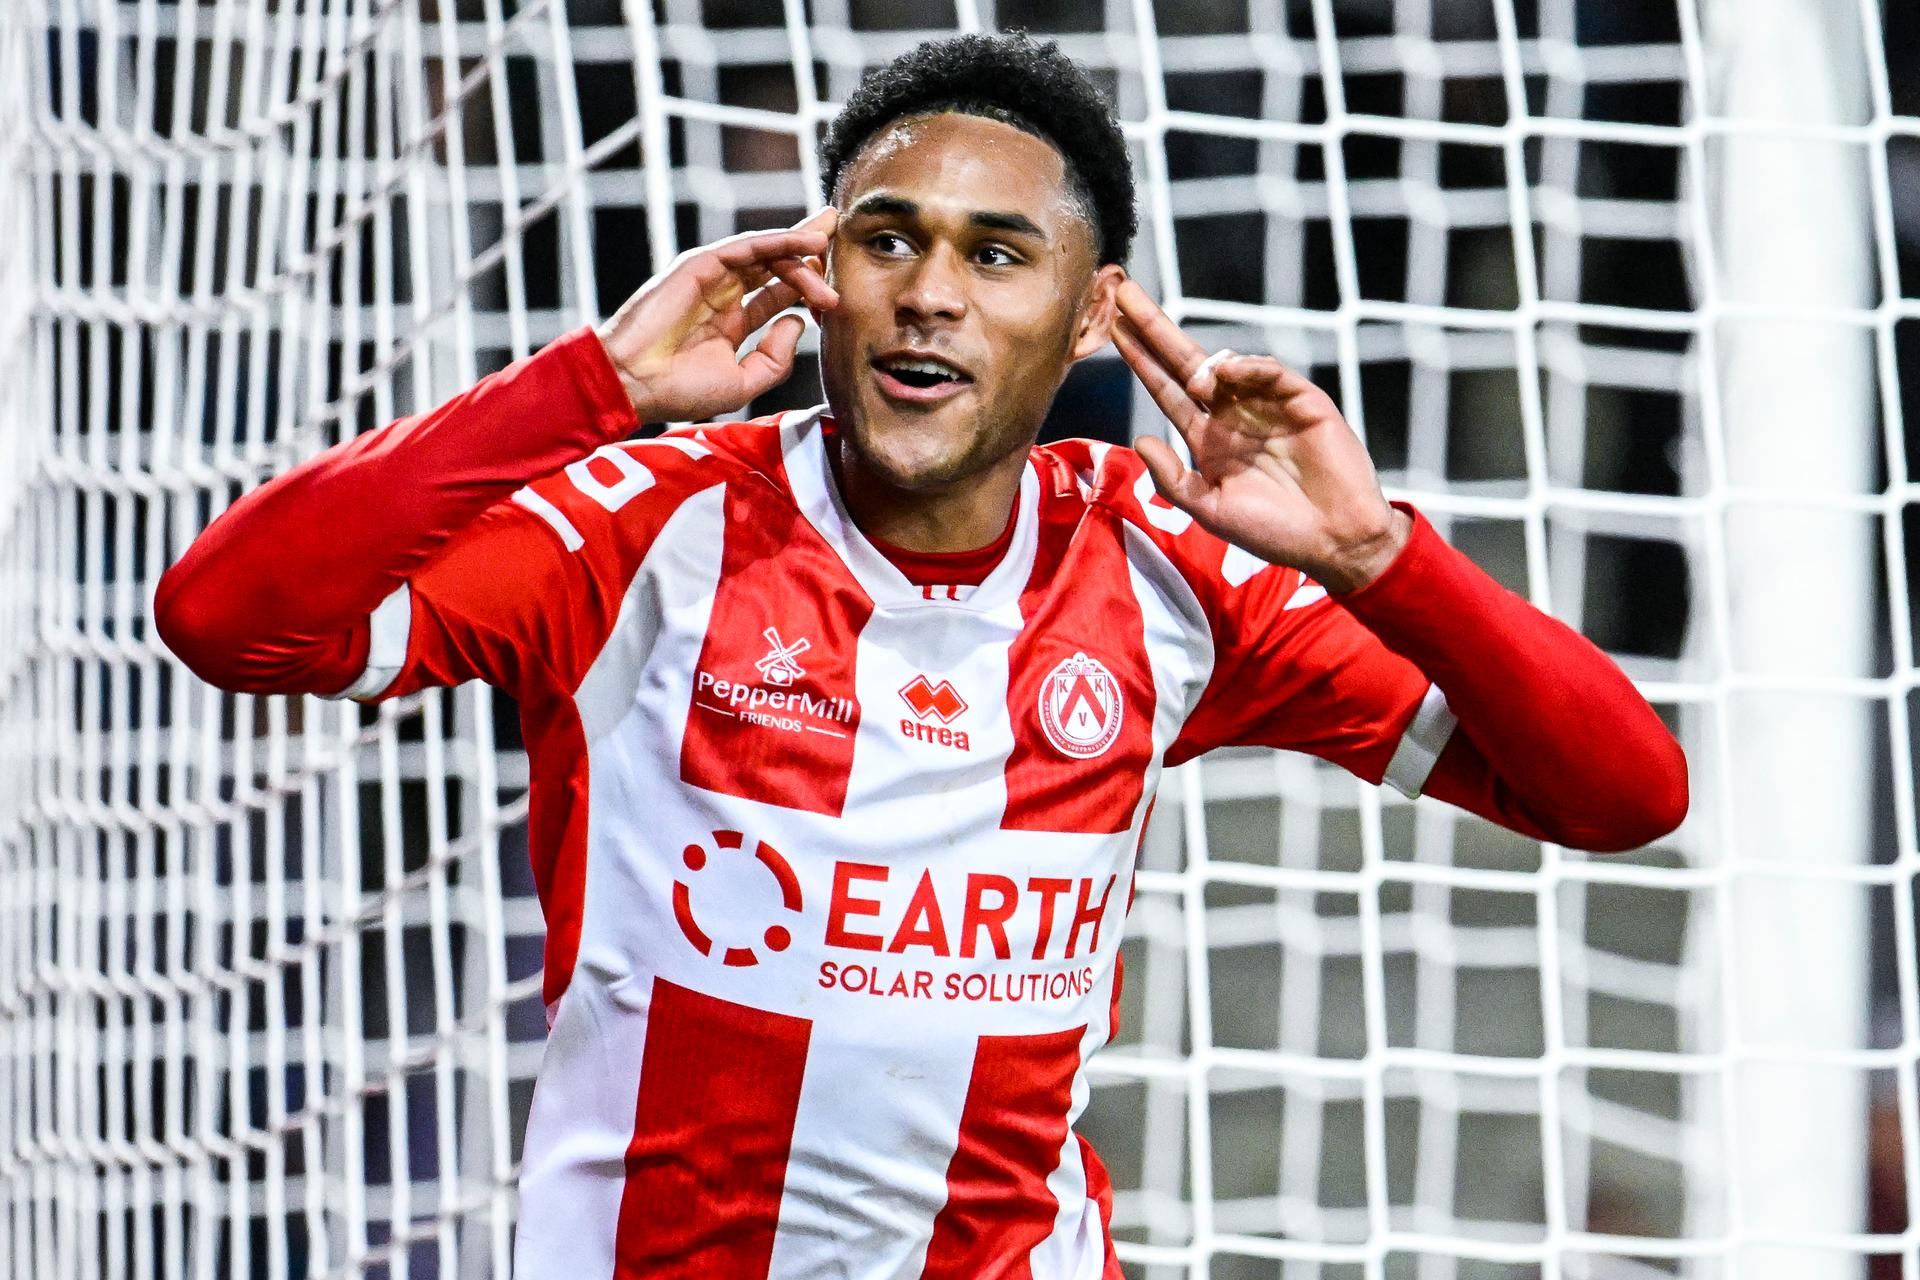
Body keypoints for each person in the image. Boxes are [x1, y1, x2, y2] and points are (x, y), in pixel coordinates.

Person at [154, 32, 1686, 1280]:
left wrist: (1376, 560)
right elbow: (227, 618)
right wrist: (594, 383)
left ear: (1091, 320)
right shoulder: (648, 525)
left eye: (997, 255)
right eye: (888, 239)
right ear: (823, 273)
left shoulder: (1174, 568)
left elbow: (1624, 794)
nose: (931, 293)